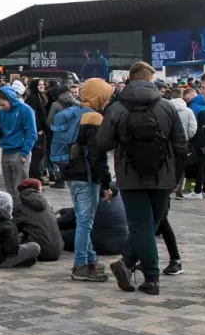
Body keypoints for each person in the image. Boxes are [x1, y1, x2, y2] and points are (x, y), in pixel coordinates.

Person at [92, 61, 187, 297]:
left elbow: (103, 143)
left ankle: (136, 268)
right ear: (150, 80)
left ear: (130, 80)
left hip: (129, 174)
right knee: (151, 223)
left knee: (141, 225)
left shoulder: (117, 108)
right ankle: (146, 274)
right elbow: (181, 145)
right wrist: (177, 177)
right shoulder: (167, 106)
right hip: (163, 174)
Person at [62, 78, 113, 281]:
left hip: (71, 173)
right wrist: (106, 183)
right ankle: (80, 265)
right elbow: (97, 156)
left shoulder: (74, 112)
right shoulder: (93, 117)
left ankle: (90, 260)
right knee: (85, 222)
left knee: (83, 220)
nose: (107, 101)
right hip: (86, 176)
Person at [60, 186, 128, 259]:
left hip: (101, 245)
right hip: (120, 244)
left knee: (56, 235)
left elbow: (65, 220)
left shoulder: (91, 196)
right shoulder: (116, 196)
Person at [0, 84, 37, 197]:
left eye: (3, 104)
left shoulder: (26, 110)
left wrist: (24, 153)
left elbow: (32, 133)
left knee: (20, 189)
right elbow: (3, 132)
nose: (2, 107)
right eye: (0, 105)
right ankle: (12, 211)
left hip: (19, 152)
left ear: (10, 99)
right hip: (6, 151)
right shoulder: (1, 111)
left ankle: (21, 212)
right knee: (9, 189)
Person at [12, 178, 62, 261]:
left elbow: (12, 228)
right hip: (58, 250)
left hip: (40, 251)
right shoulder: (47, 205)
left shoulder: (20, 205)